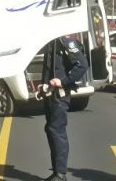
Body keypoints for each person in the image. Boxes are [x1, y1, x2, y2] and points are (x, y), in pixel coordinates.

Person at [40, 35, 88, 181]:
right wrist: (44, 86)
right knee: (51, 130)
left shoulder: (65, 41)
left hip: (60, 96)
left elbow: (82, 65)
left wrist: (63, 81)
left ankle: (60, 174)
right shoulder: (51, 42)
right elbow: (50, 68)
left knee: (56, 131)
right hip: (51, 94)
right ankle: (56, 172)